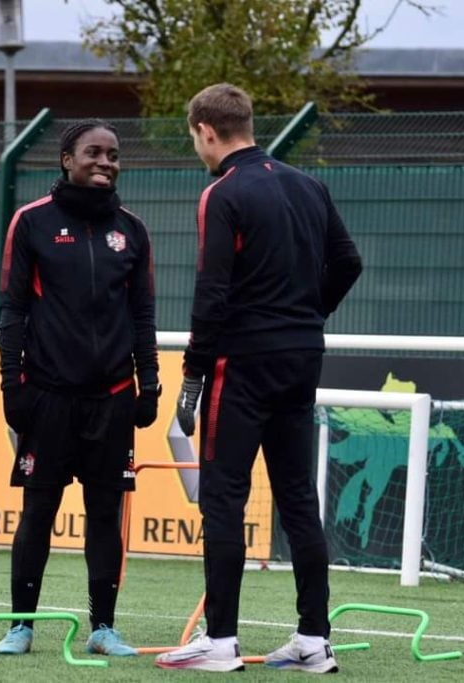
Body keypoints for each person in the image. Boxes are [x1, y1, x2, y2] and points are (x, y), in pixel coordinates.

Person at [155, 84, 363, 674]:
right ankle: (314, 641)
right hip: (301, 357)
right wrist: (307, 315)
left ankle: (220, 642)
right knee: (298, 497)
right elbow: (349, 262)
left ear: (204, 129)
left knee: (223, 497)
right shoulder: (308, 185)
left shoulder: (222, 193)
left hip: (241, 363)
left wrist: (193, 372)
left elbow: (211, 292)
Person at [0, 119, 160, 658]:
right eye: (94, 152)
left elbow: (142, 314)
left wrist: (150, 382)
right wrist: (11, 385)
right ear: (67, 159)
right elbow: (13, 309)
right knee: (39, 511)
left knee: (105, 515)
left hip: (112, 396)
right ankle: (21, 626)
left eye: (113, 154)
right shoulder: (32, 223)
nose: (106, 162)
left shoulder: (131, 231)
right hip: (48, 395)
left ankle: (103, 628)